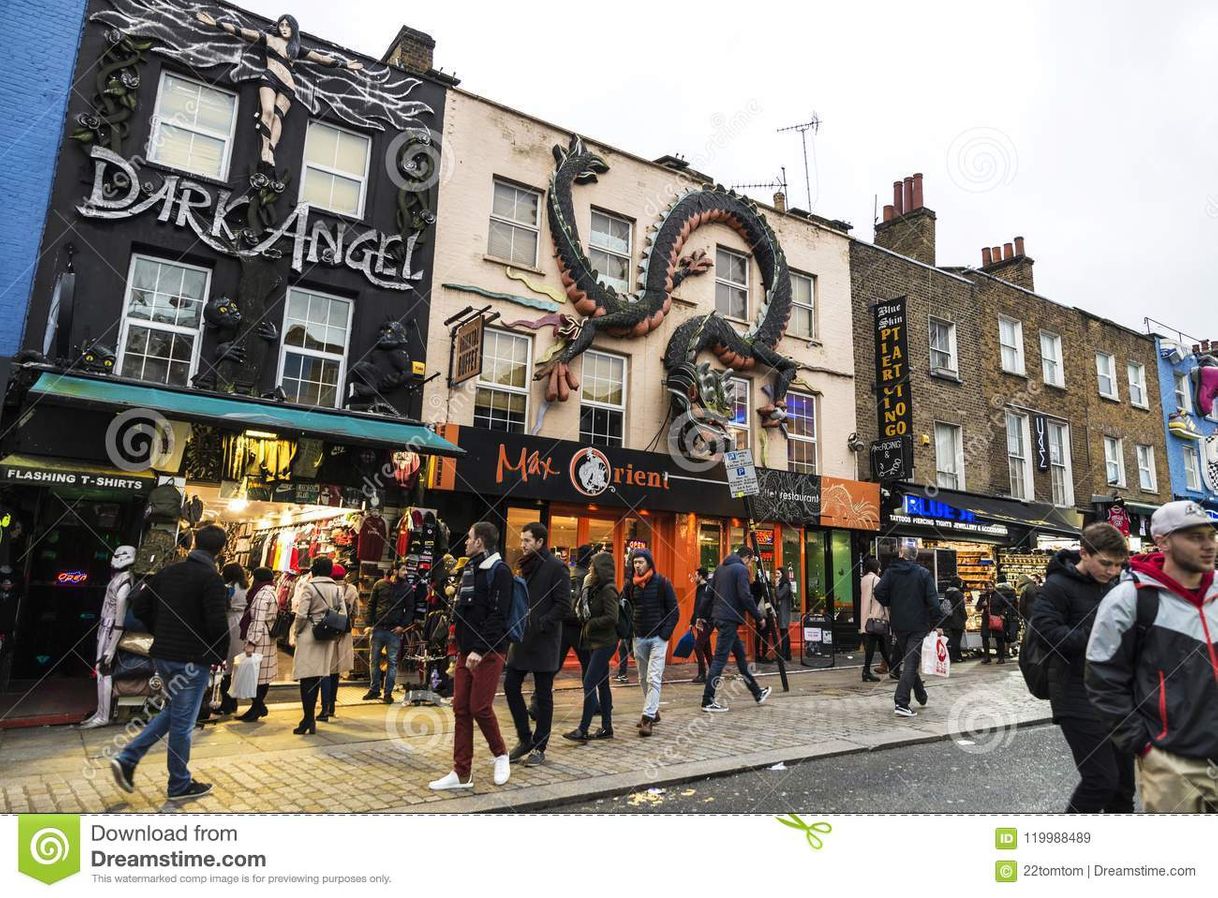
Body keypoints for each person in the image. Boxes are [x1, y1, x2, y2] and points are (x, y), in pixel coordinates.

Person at [1087, 501, 1218, 813]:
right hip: (1172, 762)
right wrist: (1145, 746)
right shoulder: (1130, 599)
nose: (1208, 545)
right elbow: (1102, 680)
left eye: (1211, 535)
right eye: (1194, 537)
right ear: (1163, 542)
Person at [109, 525, 228, 801]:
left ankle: (128, 758)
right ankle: (178, 784)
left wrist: (161, 631)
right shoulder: (211, 579)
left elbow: (139, 607)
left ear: (196, 543)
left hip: (163, 654)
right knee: (183, 725)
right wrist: (217, 654)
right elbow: (217, 624)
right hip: (192, 659)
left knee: (175, 711)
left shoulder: (168, 572)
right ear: (219, 550)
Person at [1030, 523, 1132, 813]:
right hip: (1076, 695)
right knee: (1101, 780)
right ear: (1084, 553)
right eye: (1105, 563)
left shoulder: (1116, 585)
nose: (1112, 571)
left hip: (1117, 696)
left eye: (1118, 565)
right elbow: (1047, 636)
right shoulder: (1057, 587)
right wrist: (1101, 633)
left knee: (1124, 788)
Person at [429, 522, 513, 791]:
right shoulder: (470, 568)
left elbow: (498, 615)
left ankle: (501, 754)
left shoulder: (500, 571)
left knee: (479, 707)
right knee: (460, 709)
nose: (465, 542)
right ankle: (461, 772)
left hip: (489, 651)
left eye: (469, 538)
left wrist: (480, 648)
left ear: (480, 542)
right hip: (466, 651)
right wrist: (459, 651)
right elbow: (463, 614)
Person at [504, 522, 571, 767]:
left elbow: (564, 605)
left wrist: (542, 623)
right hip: (522, 639)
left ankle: (540, 746)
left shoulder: (556, 567)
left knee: (543, 695)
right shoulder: (523, 566)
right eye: (522, 540)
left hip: (544, 640)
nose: (522, 545)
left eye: (527, 541)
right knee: (511, 684)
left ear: (540, 542)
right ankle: (525, 738)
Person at [701, 546, 772, 712]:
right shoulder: (740, 570)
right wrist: (758, 616)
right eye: (750, 562)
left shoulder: (720, 568)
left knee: (741, 658)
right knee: (719, 660)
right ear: (746, 557)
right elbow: (745, 596)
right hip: (729, 620)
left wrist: (700, 615)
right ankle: (707, 700)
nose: (749, 566)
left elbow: (708, 593)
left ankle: (757, 693)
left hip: (719, 617)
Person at [874, 543, 940, 718]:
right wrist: (936, 622)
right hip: (918, 624)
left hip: (899, 624)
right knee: (911, 663)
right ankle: (901, 702)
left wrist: (890, 602)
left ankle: (921, 695)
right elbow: (933, 602)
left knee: (910, 658)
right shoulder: (923, 574)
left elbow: (878, 591)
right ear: (915, 556)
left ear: (902, 554)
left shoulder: (890, 572)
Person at [563, 550, 619, 742]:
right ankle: (607, 728)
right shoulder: (592, 587)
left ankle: (583, 729)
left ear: (600, 569)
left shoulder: (608, 589)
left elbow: (613, 618)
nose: (589, 568)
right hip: (595, 641)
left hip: (606, 642)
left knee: (589, 682)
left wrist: (591, 623)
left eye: (593, 566)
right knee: (602, 684)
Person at [624, 548, 677, 736]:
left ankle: (647, 718)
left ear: (649, 563)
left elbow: (674, 611)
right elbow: (625, 609)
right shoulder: (630, 585)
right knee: (642, 677)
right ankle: (653, 711)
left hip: (657, 639)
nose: (637, 565)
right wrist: (629, 631)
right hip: (639, 637)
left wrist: (664, 634)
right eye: (635, 562)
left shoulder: (662, 582)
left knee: (653, 677)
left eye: (640, 562)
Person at [81, 545, 135, 729]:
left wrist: (111, 648)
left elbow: (119, 617)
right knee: (101, 670)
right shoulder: (120, 578)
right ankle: (101, 711)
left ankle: (103, 714)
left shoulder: (124, 582)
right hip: (106, 626)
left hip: (111, 627)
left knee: (103, 670)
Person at [291, 557, 345, 735]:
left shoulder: (310, 586)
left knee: (307, 679)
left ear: (314, 569)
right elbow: (343, 614)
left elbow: (301, 615)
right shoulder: (337, 590)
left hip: (309, 635)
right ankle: (309, 719)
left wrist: (296, 632)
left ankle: (308, 719)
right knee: (319, 676)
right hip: (327, 637)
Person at [363, 560, 412, 703]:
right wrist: (368, 624)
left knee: (392, 662)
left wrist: (403, 626)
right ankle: (374, 690)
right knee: (374, 661)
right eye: (403, 570)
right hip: (378, 628)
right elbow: (371, 605)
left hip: (394, 631)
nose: (406, 572)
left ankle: (388, 693)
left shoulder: (407, 588)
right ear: (395, 571)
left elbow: (410, 609)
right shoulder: (379, 584)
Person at [237, 567, 278, 721]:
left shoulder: (261, 594)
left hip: (260, 639)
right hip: (267, 638)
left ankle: (259, 706)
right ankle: (256, 708)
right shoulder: (271, 591)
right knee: (261, 676)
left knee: (254, 675)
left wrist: (252, 642)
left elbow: (258, 620)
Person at [319, 563, 357, 721]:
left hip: (327, 634)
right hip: (343, 634)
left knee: (325, 670)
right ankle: (332, 706)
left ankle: (324, 707)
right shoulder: (352, 589)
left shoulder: (327, 589)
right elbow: (355, 612)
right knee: (336, 672)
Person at [217, 563, 248, 715]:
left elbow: (224, 606)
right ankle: (233, 700)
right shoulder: (246, 587)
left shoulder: (228, 588)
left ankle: (227, 702)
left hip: (230, 622)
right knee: (237, 661)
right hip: (243, 623)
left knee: (227, 663)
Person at [858, 555, 890, 681]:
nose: (880, 570)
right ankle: (866, 671)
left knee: (881, 645)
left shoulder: (864, 579)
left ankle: (894, 669)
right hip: (876, 617)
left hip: (866, 617)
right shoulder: (876, 580)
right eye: (879, 567)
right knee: (875, 646)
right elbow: (881, 597)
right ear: (875, 568)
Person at [976, 579, 1010, 664]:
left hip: (997, 618)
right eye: (987, 587)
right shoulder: (983, 596)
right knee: (984, 637)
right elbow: (977, 608)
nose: (989, 588)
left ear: (994, 587)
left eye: (991, 586)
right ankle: (986, 657)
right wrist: (982, 605)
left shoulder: (999, 596)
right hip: (986, 619)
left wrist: (1003, 614)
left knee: (999, 638)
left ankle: (1001, 657)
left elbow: (1007, 606)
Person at [691, 567, 713, 683]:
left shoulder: (707, 588)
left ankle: (702, 674)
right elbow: (696, 607)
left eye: (696, 575)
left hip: (707, 622)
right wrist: (692, 621)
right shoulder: (699, 588)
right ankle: (714, 674)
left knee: (698, 646)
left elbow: (708, 606)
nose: (695, 578)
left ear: (701, 576)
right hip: (700, 622)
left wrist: (703, 619)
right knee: (706, 649)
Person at [942, 577, 968, 663]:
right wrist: (965, 617)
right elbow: (961, 608)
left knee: (953, 638)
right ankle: (957, 657)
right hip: (958, 619)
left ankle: (954, 656)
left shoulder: (947, 593)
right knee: (957, 639)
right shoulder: (959, 594)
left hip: (949, 618)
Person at [775, 568, 793, 662]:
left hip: (784, 612)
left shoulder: (785, 585)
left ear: (783, 574)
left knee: (784, 633)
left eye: (778, 573)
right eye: (776, 573)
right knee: (784, 633)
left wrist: (777, 586)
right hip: (781, 611)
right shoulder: (784, 585)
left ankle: (783, 654)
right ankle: (787, 654)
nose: (776, 575)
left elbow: (778, 596)